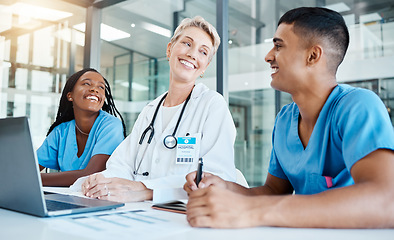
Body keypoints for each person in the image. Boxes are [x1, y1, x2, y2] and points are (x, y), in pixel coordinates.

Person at [184, 7, 394, 228]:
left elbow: (386, 200)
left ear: (312, 55)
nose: (268, 56)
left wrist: (252, 211)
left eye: (278, 46)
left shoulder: (358, 106)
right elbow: (273, 191)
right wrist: (225, 188)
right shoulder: (285, 119)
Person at [81, 16, 237, 202]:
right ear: (169, 48)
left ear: (205, 67)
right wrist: (102, 180)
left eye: (203, 52)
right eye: (187, 43)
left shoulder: (212, 105)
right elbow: (122, 163)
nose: (193, 54)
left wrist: (148, 190)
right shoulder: (150, 111)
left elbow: (218, 178)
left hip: (181, 216)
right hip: (137, 212)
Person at [37, 68, 126, 186]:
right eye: (86, 84)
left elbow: (92, 175)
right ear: (70, 95)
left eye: (101, 87)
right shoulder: (61, 132)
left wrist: (35, 179)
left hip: (99, 200)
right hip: (67, 198)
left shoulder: (111, 125)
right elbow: (29, 169)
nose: (94, 89)